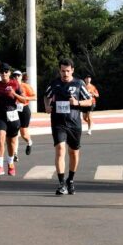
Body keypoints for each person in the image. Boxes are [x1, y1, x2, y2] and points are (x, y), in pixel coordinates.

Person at [44, 58, 93, 195]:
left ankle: (70, 181)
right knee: (60, 149)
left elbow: (89, 101)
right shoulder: (54, 84)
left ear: (72, 70)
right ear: (59, 70)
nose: (65, 74)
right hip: (58, 122)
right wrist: (47, 106)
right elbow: (46, 96)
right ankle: (61, 184)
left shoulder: (79, 84)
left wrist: (77, 102)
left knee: (73, 152)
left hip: (74, 123)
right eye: (62, 71)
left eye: (67, 71)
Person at [0, 63, 28, 176]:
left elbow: (24, 100)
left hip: (12, 114)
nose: (4, 74)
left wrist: (14, 94)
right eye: (2, 72)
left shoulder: (15, 84)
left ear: (9, 73)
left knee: (11, 143)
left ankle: (11, 164)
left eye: (6, 71)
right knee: (0, 138)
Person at [13, 70, 37, 159]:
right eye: (14, 75)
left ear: (21, 76)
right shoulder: (11, 86)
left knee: (23, 134)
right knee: (14, 132)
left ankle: (29, 142)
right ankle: (15, 153)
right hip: (13, 110)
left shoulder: (25, 86)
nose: (16, 77)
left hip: (24, 109)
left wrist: (25, 98)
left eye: (18, 75)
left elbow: (34, 97)